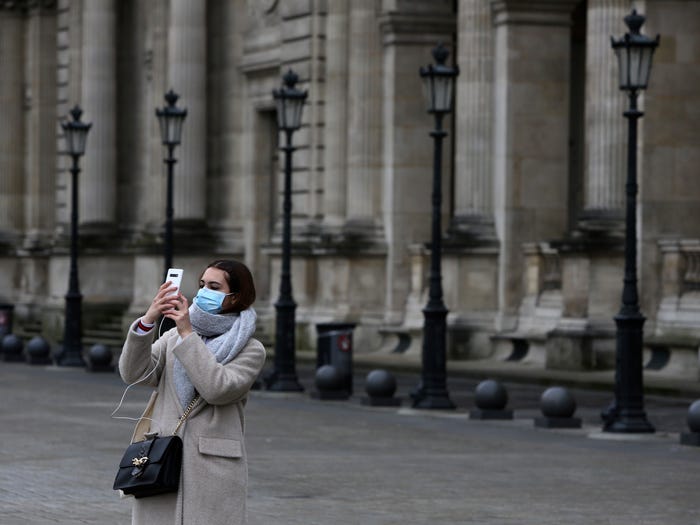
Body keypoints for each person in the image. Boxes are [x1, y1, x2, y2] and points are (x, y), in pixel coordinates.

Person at [119, 259, 265, 525]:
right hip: (160, 460)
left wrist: (188, 333)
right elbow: (134, 373)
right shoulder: (172, 337)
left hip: (212, 467)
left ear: (236, 297)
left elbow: (217, 389)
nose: (202, 292)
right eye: (201, 285)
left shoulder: (250, 349)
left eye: (213, 286)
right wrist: (148, 321)